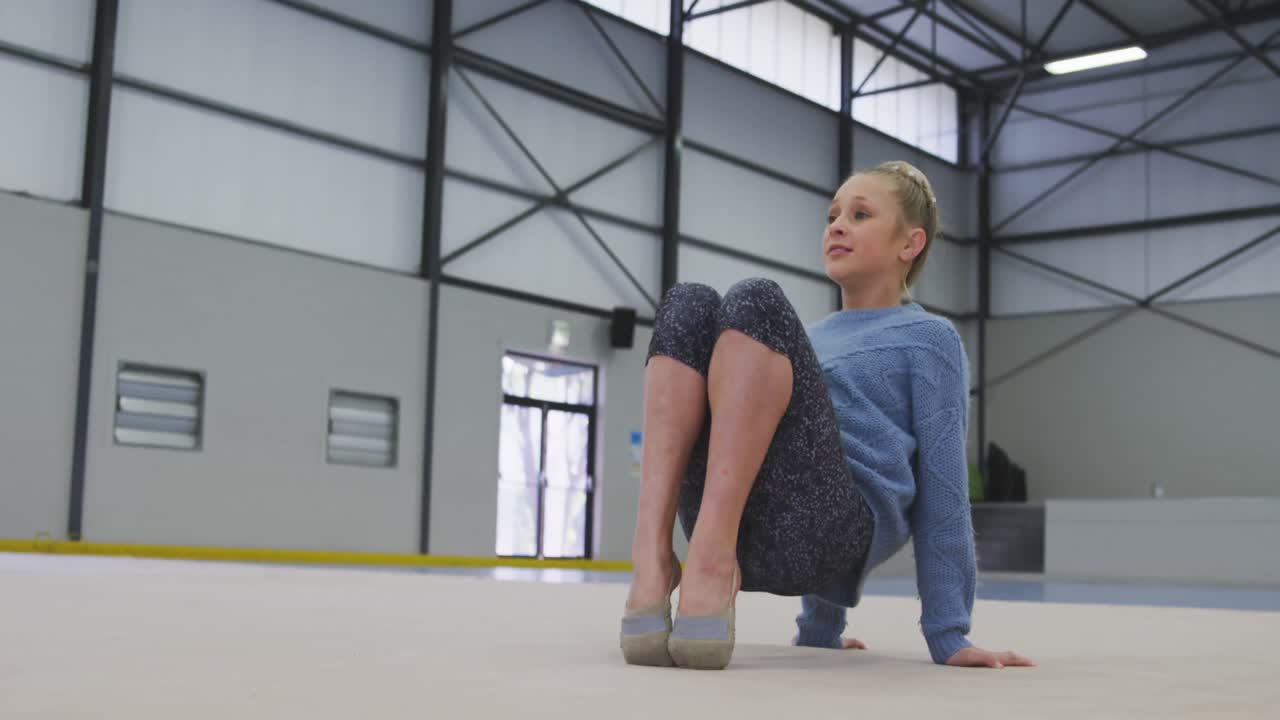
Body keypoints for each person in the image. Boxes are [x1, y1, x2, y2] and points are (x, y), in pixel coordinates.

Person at [618, 160, 1034, 671]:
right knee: (688, 303)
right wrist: (820, 634)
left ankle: (709, 566)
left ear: (910, 244)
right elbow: (805, 440)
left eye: (860, 215)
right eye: (832, 216)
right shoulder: (800, 340)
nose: (836, 226)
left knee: (756, 299)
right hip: (733, 523)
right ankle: (652, 562)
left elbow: (942, 490)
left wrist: (948, 633)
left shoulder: (930, 341)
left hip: (827, 537)